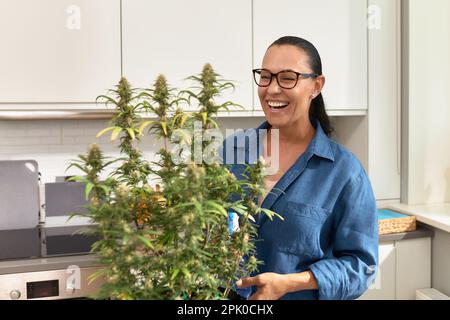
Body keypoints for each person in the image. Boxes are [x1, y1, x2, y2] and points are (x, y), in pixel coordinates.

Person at [224, 36, 378, 300]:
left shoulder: (344, 172)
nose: (272, 89)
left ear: (316, 86)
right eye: (265, 76)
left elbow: (361, 267)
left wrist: (290, 283)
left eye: (287, 78)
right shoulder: (232, 152)